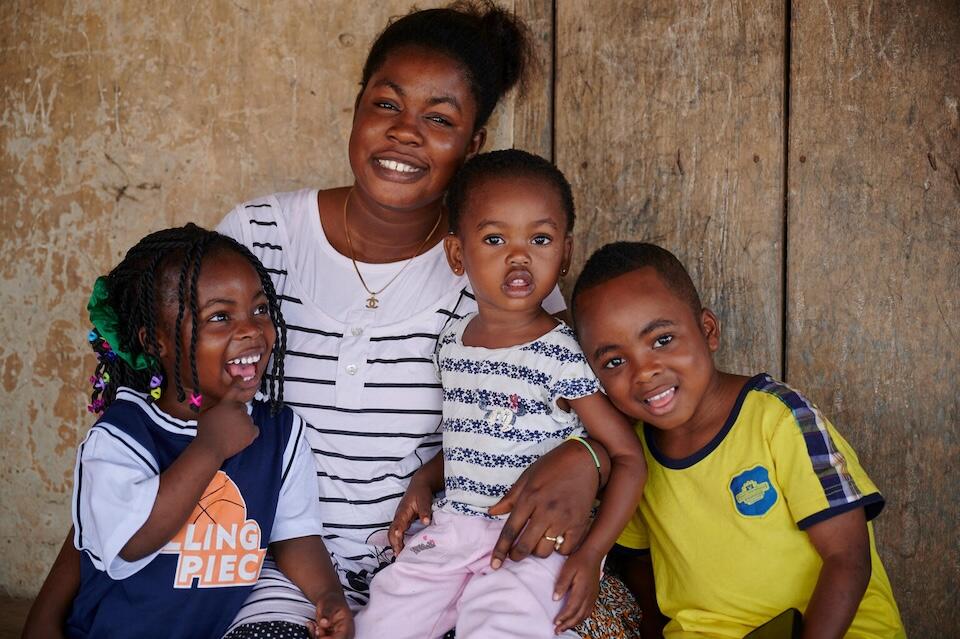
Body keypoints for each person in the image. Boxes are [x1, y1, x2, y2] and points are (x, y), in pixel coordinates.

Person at [23, 2, 641, 638]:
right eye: (386, 105)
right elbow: (151, 426)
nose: (405, 132)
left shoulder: (501, 267)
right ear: (356, 106)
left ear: (473, 144)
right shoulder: (257, 239)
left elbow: (590, 411)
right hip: (281, 575)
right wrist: (49, 612)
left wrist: (584, 458)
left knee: (596, 623)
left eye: (439, 118)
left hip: (457, 566)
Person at [352, 150, 646, 638]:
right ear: (457, 255)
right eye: (494, 239)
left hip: (532, 541)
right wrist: (426, 478)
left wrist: (592, 555)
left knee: (502, 627)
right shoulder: (454, 341)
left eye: (540, 238)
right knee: (381, 621)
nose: (519, 256)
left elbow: (626, 455)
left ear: (566, 253)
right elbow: (477, 436)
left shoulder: (561, 353)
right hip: (452, 530)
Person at [571, 242, 906, 639]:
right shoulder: (634, 458)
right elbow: (639, 566)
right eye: (614, 362)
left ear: (708, 330)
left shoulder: (779, 418)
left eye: (661, 340)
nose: (645, 372)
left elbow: (847, 557)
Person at [65, 225, 352, 639]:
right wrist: (210, 448)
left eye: (259, 310)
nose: (251, 329)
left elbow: (294, 536)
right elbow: (132, 540)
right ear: (156, 342)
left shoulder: (279, 432)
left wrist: (328, 596)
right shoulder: (121, 436)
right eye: (220, 317)